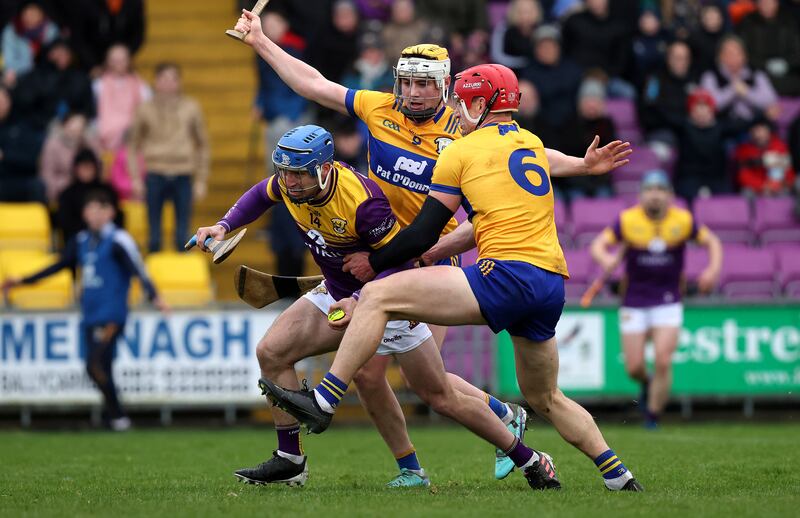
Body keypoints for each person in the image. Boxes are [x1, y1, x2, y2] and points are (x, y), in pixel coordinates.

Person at [233, 7, 632, 482]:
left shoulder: (462, 130)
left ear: (446, 86)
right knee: (376, 373)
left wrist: (580, 166)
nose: (413, 92)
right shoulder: (379, 107)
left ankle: (493, 443)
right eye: (406, 82)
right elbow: (313, 84)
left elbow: (527, 153)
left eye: (424, 84)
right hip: (379, 255)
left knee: (431, 386)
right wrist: (260, 41)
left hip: (426, 257)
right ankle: (424, 457)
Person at [194, 124, 542, 488]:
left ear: (324, 168)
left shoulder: (362, 203)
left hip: (385, 299)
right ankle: (291, 460)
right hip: (336, 291)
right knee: (272, 352)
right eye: (284, 173)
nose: (290, 183)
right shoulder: (290, 183)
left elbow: (400, 262)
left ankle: (528, 456)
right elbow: (260, 194)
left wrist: (360, 299)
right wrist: (224, 225)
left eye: (298, 174)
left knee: (439, 395)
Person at [2, 188, 168, 430]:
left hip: (112, 315)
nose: (95, 216)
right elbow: (58, 266)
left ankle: (118, 415)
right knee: (103, 367)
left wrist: (155, 297)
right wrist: (23, 280)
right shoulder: (80, 241)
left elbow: (137, 269)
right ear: (85, 214)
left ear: (110, 212)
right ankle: (116, 418)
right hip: (90, 315)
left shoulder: (118, 240)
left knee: (94, 365)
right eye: (90, 211)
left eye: (100, 210)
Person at [590, 171, 722, 428]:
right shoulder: (627, 220)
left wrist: (712, 270)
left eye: (661, 190)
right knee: (634, 367)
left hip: (668, 299)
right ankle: (647, 383)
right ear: (641, 195)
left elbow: (713, 242)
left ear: (670, 195)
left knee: (663, 359)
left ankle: (652, 415)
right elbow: (597, 246)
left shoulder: (683, 220)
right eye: (650, 189)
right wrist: (606, 259)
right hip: (634, 300)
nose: (655, 195)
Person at [127, 62, 210, 252]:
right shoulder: (144, 109)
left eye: (172, 79)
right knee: (154, 236)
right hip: (154, 172)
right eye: (163, 78)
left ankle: (180, 276)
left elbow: (203, 145)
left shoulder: (191, 107)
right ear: (155, 81)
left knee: (183, 235)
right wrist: (135, 178)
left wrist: (201, 180)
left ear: (179, 82)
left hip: (183, 172)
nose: (167, 83)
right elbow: (132, 145)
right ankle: (155, 276)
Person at [700, 34, 778, 126]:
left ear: (745, 56)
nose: (733, 57)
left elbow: (771, 100)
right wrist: (733, 90)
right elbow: (711, 105)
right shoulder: (710, 76)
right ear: (720, 57)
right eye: (728, 53)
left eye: (737, 53)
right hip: (723, 129)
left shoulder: (756, 74)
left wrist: (746, 92)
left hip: (752, 127)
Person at [92, 43, 151, 153]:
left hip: (132, 132)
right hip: (104, 132)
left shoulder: (141, 86)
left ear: (129, 61)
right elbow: (93, 113)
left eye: (122, 60)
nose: (118, 64)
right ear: (107, 62)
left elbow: (147, 112)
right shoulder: (98, 85)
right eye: (114, 60)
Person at [736, 0, 800, 96]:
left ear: (777, 3)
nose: (767, 6)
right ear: (757, 4)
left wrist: (786, 64)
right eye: (763, 3)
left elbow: (797, 50)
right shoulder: (748, 22)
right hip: (758, 73)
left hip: (789, 72)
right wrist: (765, 65)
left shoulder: (790, 20)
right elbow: (744, 53)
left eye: (770, 2)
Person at [57, 148, 120, 244]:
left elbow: (117, 219)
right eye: (83, 167)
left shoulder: (108, 192)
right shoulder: (67, 195)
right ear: (76, 169)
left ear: (96, 168)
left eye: (89, 167)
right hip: (77, 242)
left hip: (107, 242)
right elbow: (65, 224)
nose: (86, 171)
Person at [39, 112, 100, 205]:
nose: (76, 132)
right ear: (64, 126)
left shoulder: (90, 144)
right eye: (73, 129)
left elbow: (96, 169)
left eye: (80, 129)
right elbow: (47, 174)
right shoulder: (52, 145)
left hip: (87, 192)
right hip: (62, 191)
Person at [1, 0, 59, 87]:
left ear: (42, 15)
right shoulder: (11, 30)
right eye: (27, 13)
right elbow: (8, 60)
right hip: (19, 75)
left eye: (35, 13)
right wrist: (12, 72)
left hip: (46, 76)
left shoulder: (51, 32)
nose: (30, 17)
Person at [734, 117, 795, 196]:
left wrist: (777, 185)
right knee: (746, 193)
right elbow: (743, 175)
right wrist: (762, 186)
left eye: (762, 130)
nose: (758, 134)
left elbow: (788, 171)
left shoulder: (780, 146)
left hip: (779, 187)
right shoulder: (743, 150)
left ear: (769, 131)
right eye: (755, 130)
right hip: (757, 188)